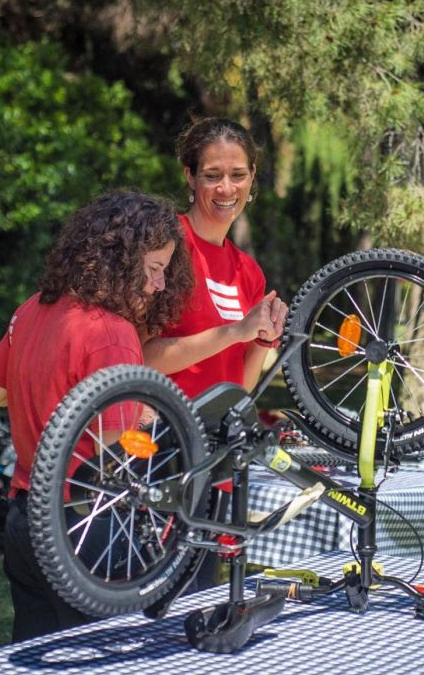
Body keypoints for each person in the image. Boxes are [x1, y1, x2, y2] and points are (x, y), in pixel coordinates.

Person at [0, 190, 194, 642]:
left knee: (35, 653)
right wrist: (155, 421)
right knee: (96, 654)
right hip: (85, 523)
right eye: (154, 270)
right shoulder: (112, 334)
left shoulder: (33, 308)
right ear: (120, 260)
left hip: (24, 516)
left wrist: (47, 397)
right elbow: (112, 447)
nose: (158, 285)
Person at [142, 117, 289, 590]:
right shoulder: (167, 247)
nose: (227, 188)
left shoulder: (249, 271)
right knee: (149, 599)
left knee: (198, 596)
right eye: (212, 174)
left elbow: (237, 389)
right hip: (159, 452)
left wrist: (262, 343)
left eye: (238, 174)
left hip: (214, 454)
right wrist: (234, 331)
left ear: (252, 180)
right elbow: (142, 356)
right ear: (189, 176)